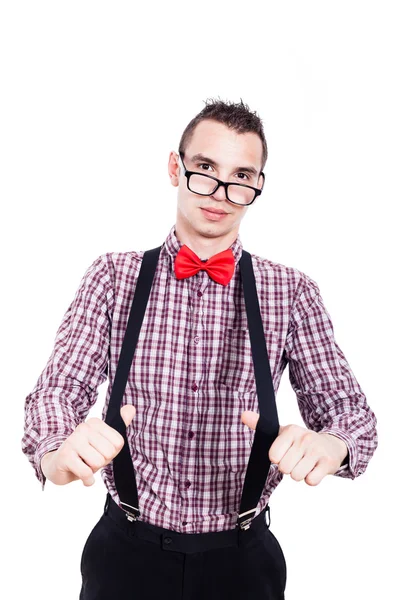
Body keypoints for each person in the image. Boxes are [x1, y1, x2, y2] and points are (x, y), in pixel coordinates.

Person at [21, 98, 378, 600]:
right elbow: (57, 389)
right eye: (205, 169)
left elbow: (351, 414)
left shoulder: (291, 291)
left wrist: (332, 445)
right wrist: (58, 452)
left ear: (258, 186)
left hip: (243, 562)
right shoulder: (112, 276)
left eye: (242, 176)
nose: (220, 193)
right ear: (176, 168)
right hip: (124, 554)